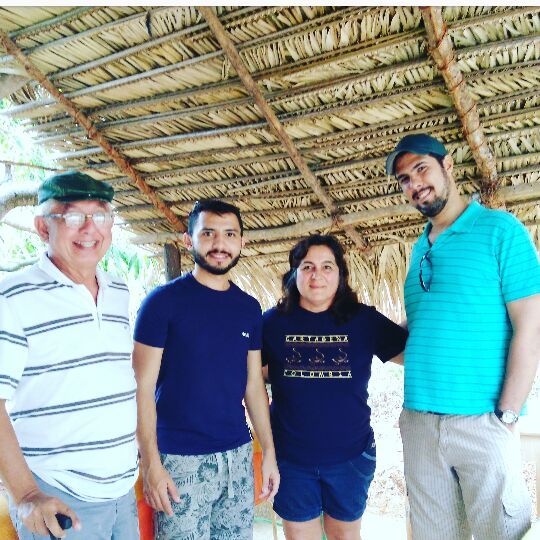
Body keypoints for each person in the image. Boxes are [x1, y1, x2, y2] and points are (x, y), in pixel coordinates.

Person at [386, 134, 540, 540]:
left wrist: (507, 415)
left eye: (421, 169)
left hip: (483, 420)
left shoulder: (500, 231)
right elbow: (420, 334)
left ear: (448, 165)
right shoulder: (419, 249)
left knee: (501, 534)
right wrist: (352, 329)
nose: (414, 184)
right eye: (404, 179)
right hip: (420, 422)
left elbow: (531, 327)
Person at [0, 172, 139, 539]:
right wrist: (26, 495)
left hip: (122, 492)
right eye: (73, 216)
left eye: (101, 215)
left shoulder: (117, 290)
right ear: (42, 227)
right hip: (58, 497)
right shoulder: (12, 297)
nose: (90, 228)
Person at [132, 198, 279, 540]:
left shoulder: (248, 307)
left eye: (230, 234)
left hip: (237, 456)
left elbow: (253, 385)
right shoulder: (161, 303)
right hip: (179, 458)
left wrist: (269, 451)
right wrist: (151, 463)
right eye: (208, 233)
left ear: (242, 242)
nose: (219, 244)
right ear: (189, 240)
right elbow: (141, 388)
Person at [262, 234, 407, 540]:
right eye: (307, 267)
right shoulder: (272, 324)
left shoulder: (363, 320)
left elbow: (409, 352)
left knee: (345, 536)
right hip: (290, 459)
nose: (317, 275)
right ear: (294, 274)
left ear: (340, 274)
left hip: (351, 456)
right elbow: (251, 378)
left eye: (327, 266)